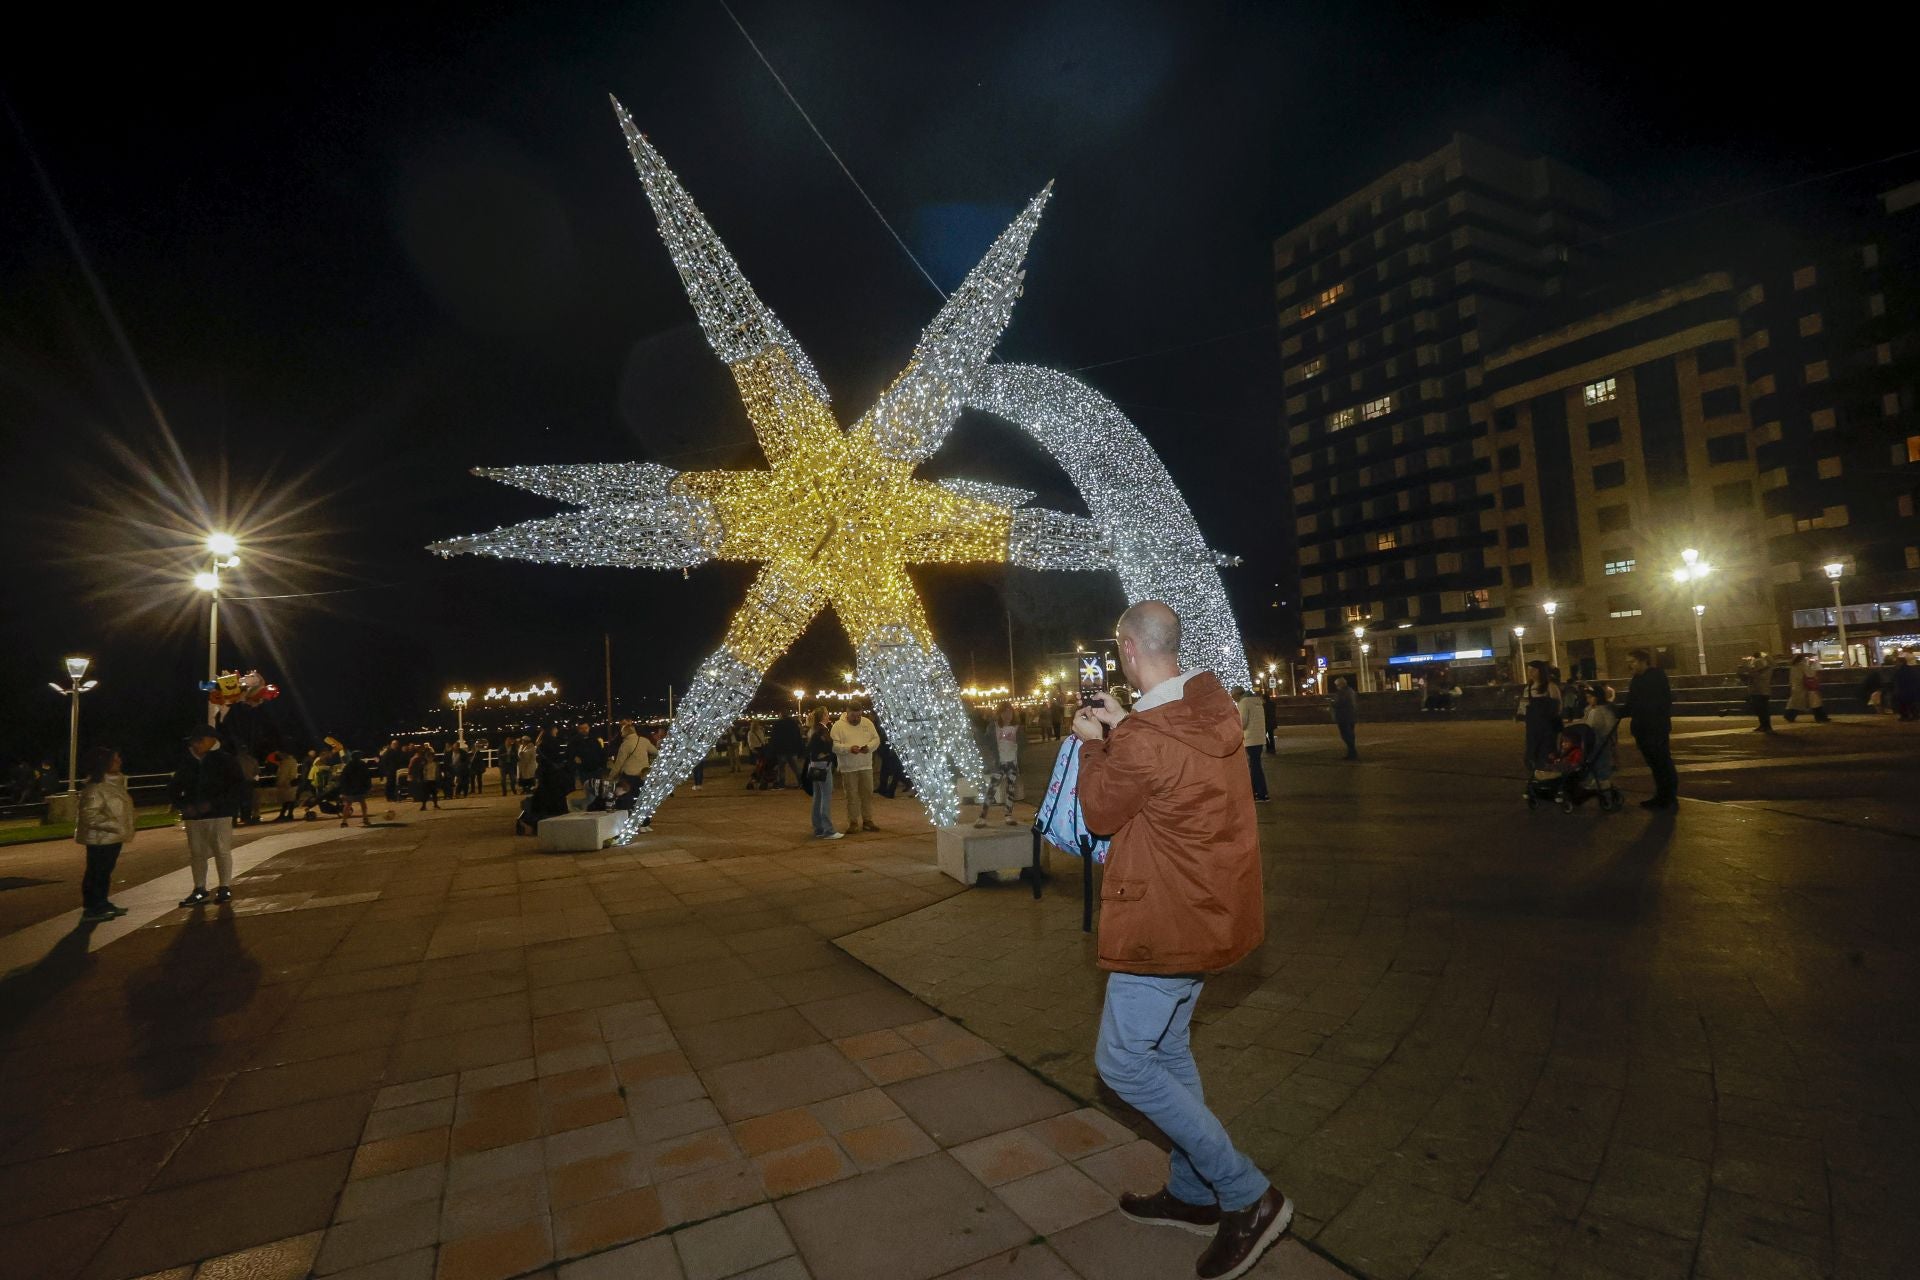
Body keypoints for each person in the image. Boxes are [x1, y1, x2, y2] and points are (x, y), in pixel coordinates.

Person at [1072, 601, 1291, 1279]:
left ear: (1129, 652)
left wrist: (1090, 740)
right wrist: (1125, 727)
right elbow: (1165, 761)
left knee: (1122, 1064)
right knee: (1165, 1049)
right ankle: (1195, 1193)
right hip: (1210, 911)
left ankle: (1247, 1194)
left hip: (1162, 923)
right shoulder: (1211, 704)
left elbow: (1101, 812)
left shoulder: (1141, 738)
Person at [171, 726, 247, 907]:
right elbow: (174, 786)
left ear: (211, 740)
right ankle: (199, 889)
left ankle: (224, 887)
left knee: (221, 850)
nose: (194, 744)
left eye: (198, 740)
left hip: (219, 815)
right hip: (194, 817)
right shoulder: (188, 761)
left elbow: (237, 788)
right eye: (193, 741)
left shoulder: (226, 760)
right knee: (196, 853)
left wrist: (214, 804)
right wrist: (183, 806)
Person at [74, 745, 134, 921]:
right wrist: (115, 826)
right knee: (97, 872)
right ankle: (93, 907)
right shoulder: (95, 788)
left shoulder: (114, 784)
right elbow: (89, 816)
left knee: (104, 872)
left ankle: (101, 902)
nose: (119, 762)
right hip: (100, 839)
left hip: (111, 838)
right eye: (115, 759)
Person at [1619, 648, 1677, 809]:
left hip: (1655, 727)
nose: (1630, 666)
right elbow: (1631, 703)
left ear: (1643, 661)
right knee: (1654, 763)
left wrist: (1646, 713)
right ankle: (1661, 795)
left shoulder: (1656, 676)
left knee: (1662, 762)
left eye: (1632, 662)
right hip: (1641, 728)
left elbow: (1662, 701)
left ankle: (1668, 796)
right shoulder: (1636, 679)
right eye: (1628, 663)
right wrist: (1618, 712)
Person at [831, 705, 881, 832]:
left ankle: (867, 820)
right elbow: (834, 746)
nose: (857, 718)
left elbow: (876, 739)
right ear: (847, 713)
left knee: (867, 793)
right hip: (848, 767)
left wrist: (868, 747)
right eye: (854, 716)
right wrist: (848, 749)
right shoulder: (838, 726)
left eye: (859, 715)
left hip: (866, 765)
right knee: (851, 795)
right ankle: (853, 822)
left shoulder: (867, 723)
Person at [975, 701, 1022, 827]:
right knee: (992, 789)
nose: (1008, 715)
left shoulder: (1016, 727)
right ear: (1000, 714)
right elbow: (986, 742)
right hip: (1000, 763)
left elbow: (1022, 745)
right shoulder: (994, 726)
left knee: (1010, 789)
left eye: (1010, 712)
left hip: (1012, 762)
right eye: (1005, 712)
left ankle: (1008, 815)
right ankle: (982, 816)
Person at [803, 708, 841, 839]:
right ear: (823, 716)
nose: (828, 715)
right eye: (826, 714)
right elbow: (819, 748)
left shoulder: (814, 729)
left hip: (815, 766)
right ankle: (828, 830)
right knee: (825, 797)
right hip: (823, 765)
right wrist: (825, 754)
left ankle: (818, 827)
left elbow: (808, 748)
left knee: (818, 797)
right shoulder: (822, 730)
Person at [1521, 661, 1563, 775]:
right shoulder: (1528, 688)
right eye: (1529, 670)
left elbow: (1558, 705)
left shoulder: (1550, 686)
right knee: (1534, 747)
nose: (1530, 673)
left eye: (1533, 670)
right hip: (1534, 725)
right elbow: (1524, 706)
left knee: (1548, 747)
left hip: (1548, 725)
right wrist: (1524, 720)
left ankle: (1548, 770)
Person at [1234, 687, 1270, 803]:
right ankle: (1255, 791)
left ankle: (1262, 793)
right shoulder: (1256, 701)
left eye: (1233, 696)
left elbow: (1243, 722)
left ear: (1238, 694)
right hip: (1258, 737)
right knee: (1255, 765)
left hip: (1250, 738)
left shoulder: (1244, 703)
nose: (1233, 699)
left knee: (1255, 767)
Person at [1784, 653, 1828, 723]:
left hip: (1796, 687)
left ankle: (1789, 715)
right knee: (1815, 702)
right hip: (1804, 686)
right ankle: (1821, 717)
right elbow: (1810, 674)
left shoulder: (1793, 666)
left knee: (1795, 703)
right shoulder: (1802, 665)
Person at [337, 750, 374, 827]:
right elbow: (367, 777)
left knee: (348, 804)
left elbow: (343, 778)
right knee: (362, 803)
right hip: (360, 788)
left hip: (350, 789)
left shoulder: (348, 765)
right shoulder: (362, 764)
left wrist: (343, 789)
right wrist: (368, 787)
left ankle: (344, 821)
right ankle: (365, 818)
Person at [1739, 654, 1774, 733]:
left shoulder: (1757, 672)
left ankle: (1765, 725)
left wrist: (1748, 672)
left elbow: (1753, 677)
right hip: (1763, 691)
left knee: (1761, 710)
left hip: (1758, 691)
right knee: (1763, 710)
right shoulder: (1766, 670)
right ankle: (1765, 725)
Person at [769, 713, 805, 788]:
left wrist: (774, 748)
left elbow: (774, 738)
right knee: (796, 768)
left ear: (781, 716)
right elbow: (798, 737)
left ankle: (782, 784)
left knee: (782, 769)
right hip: (792, 750)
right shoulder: (793, 724)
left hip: (781, 750)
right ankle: (801, 782)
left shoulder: (777, 725)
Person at [1330, 675, 1358, 759]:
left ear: (1340, 684)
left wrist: (1332, 703)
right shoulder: (1350, 691)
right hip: (1350, 716)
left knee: (1346, 735)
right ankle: (1352, 752)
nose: (1337, 687)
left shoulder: (1342, 692)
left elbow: (1339, 703)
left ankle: (1352, 753)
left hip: (1344, 716)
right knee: (1350, 735)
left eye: (1337, 685)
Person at [271, 750, 300, 821]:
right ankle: (288, 814)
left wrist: (279, 782)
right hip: (291, 782)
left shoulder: (286, 762)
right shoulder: (292, 760)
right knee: (290, 799)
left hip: (287, 783)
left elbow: (283, 774)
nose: (278, 756)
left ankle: (284, 815)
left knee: (287, 800)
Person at [1893, 653, 1920, 721]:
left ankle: (1905, 716)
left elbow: (1899, 680)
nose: (1896, 663)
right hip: (1911, 690)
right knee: (1911, 703)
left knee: (1904, 704)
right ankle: (1914, 715)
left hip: (1904, 690)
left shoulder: (1901, 670)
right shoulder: (1910, 669)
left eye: (1897, 662)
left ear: (1901, 662)